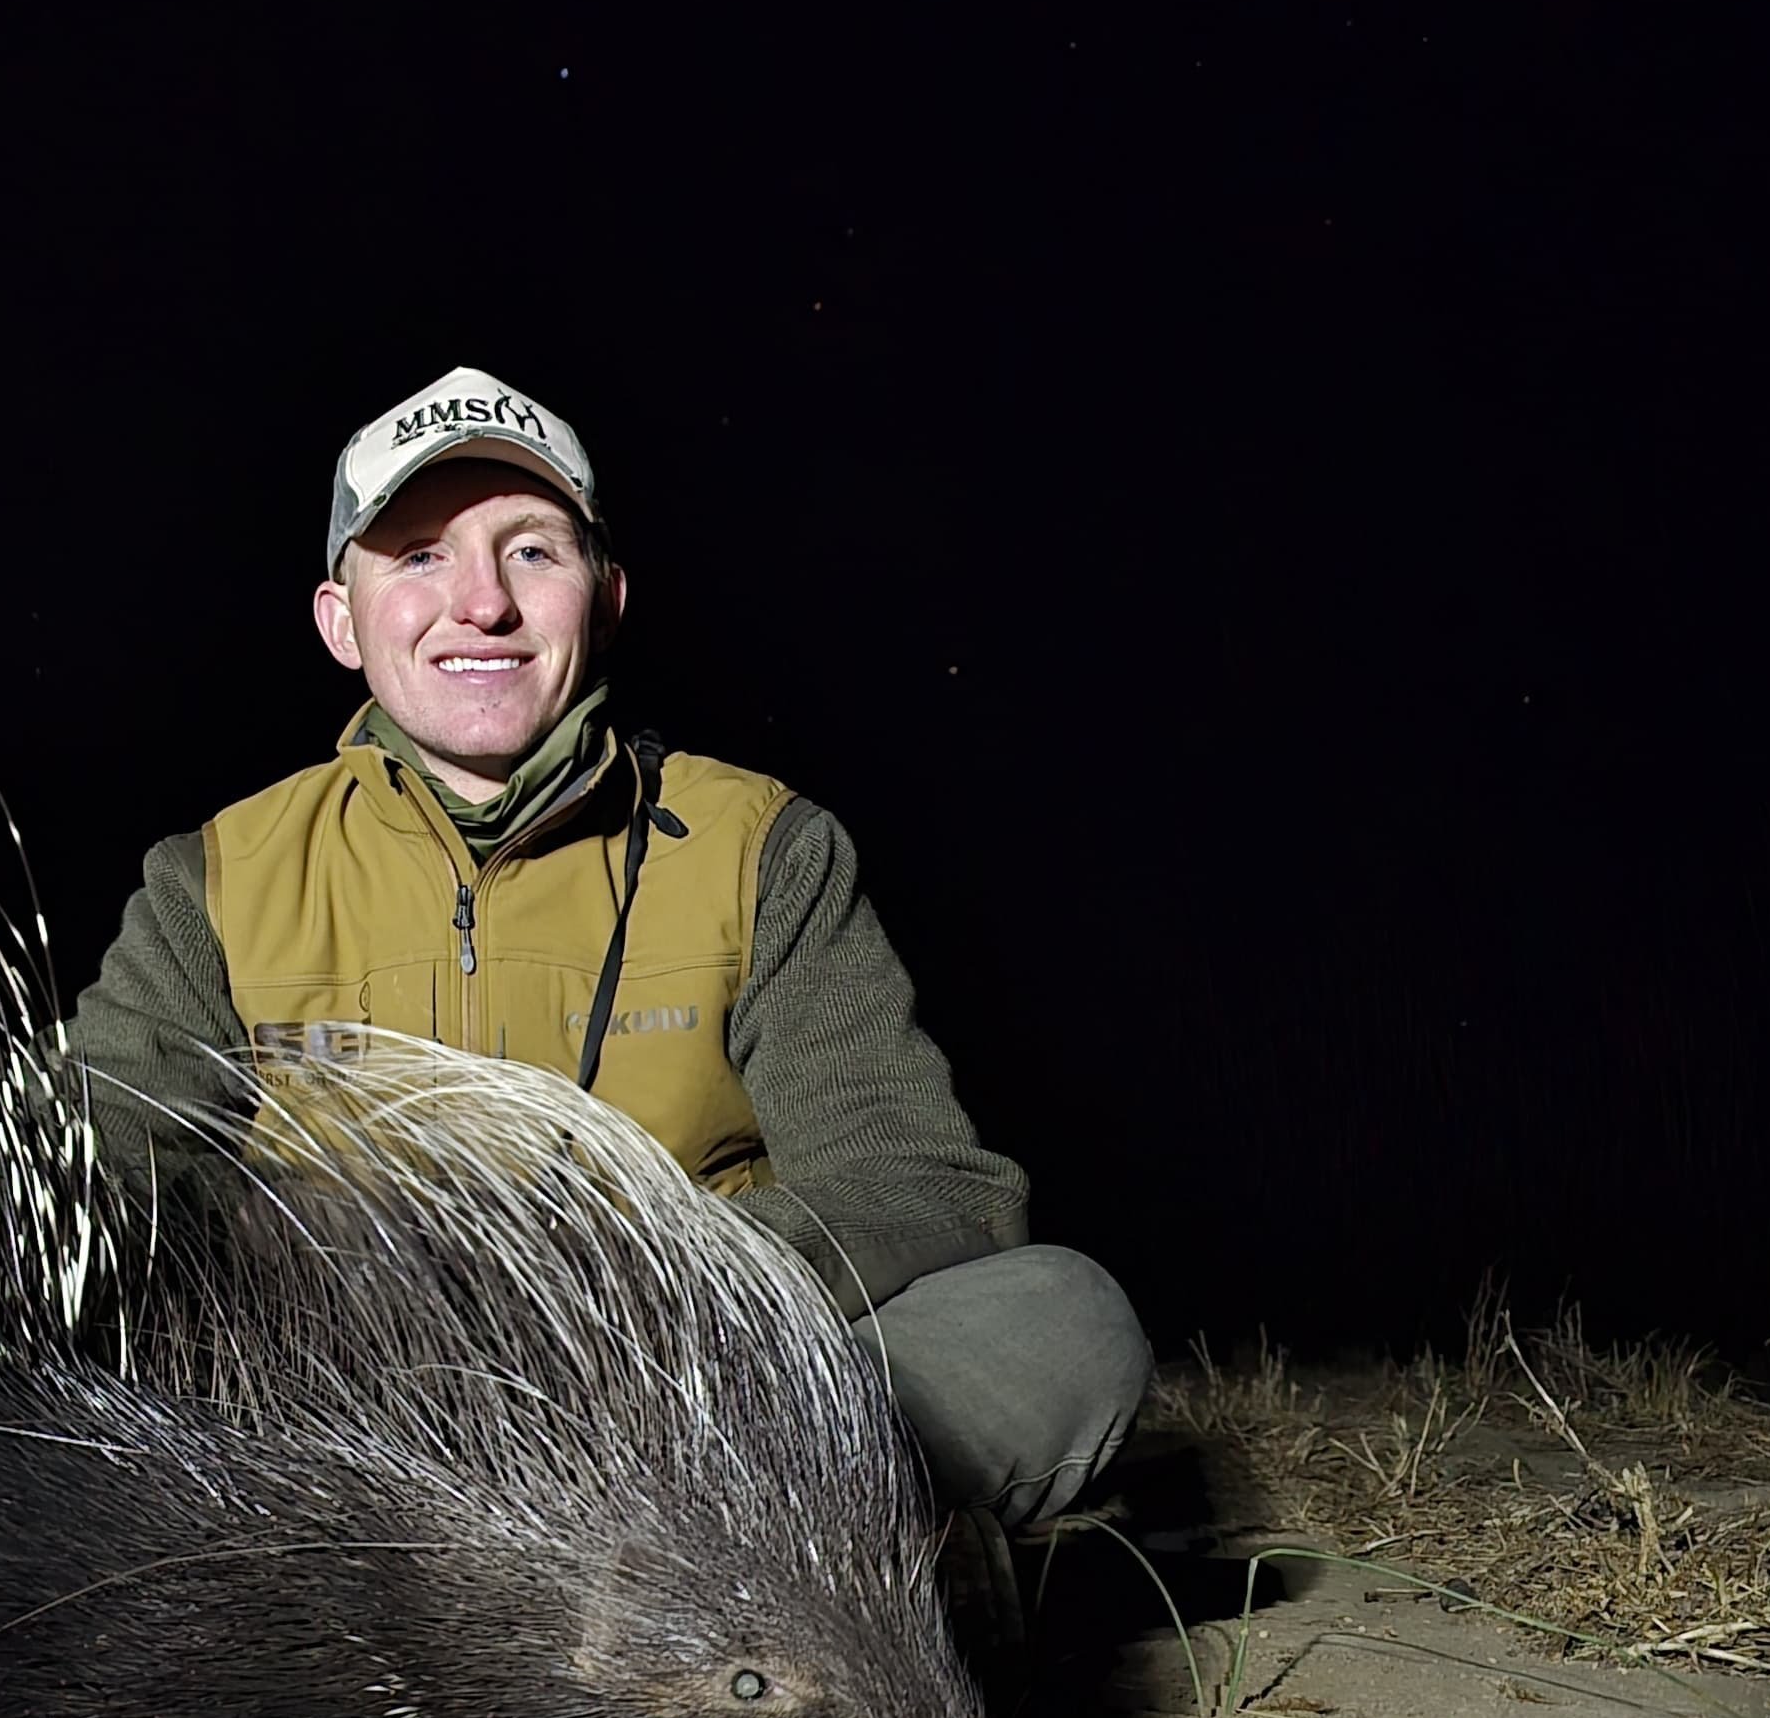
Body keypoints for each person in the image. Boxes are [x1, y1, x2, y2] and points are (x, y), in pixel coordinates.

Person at [65, 367, 1152, 1608]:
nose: (479, 603)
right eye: (417, 556)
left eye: (530, 550)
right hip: (347, 1404)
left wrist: (645, 1294)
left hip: (707, 1391)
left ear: (608, 595)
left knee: (1062, 1315)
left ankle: (784, 1565)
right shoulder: (215, 874)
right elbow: (99, 1168)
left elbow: (921, 1180)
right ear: (338, 619)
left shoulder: (762, 843)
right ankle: (774, 1588)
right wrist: (340, 1320)